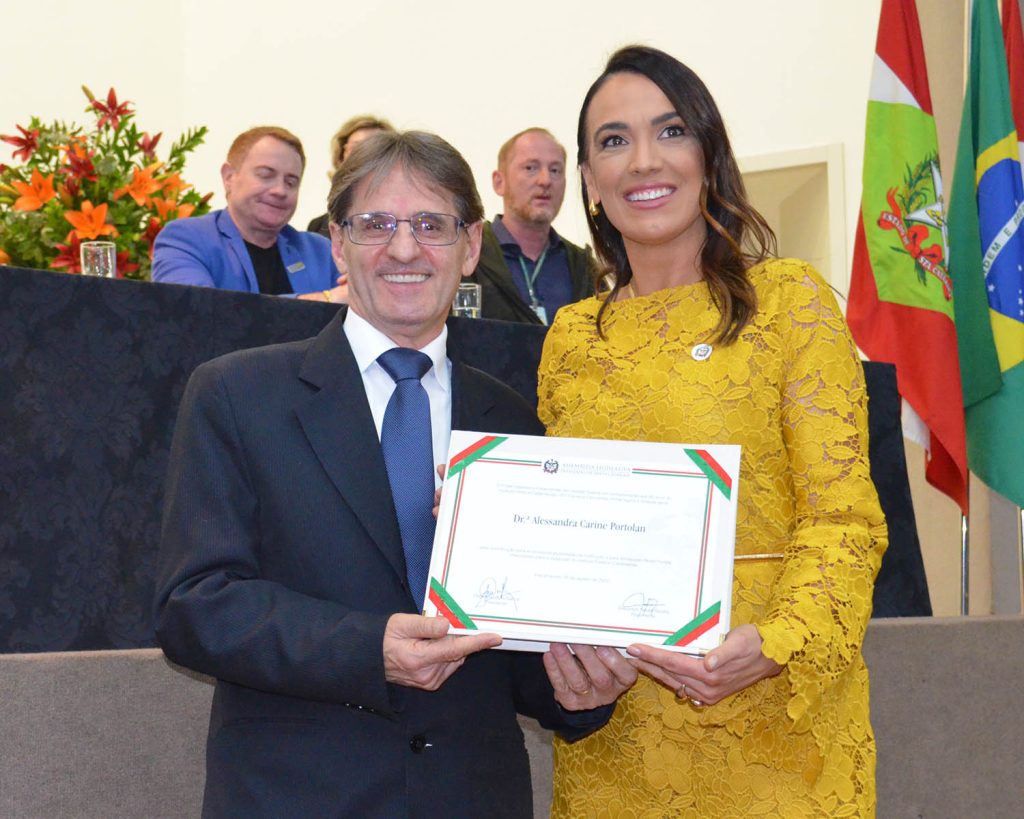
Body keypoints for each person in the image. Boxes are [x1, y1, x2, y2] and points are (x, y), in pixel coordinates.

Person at [154, 129, 636, 817]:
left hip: (471, 796)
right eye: (376, 223)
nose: (404, 249)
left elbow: (521, 649)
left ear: (470, 247)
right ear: (337, 243)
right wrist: (367, 648)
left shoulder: (513, 420)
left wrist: (578, 687)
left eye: (432, 225)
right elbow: (195, 605)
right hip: (296, 797)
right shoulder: (237, 394)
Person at [537, 46, 888, 816]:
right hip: (616, 743)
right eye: (614, 140)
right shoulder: (570, 337)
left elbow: (845, 520)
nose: (644, 160)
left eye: (671, 131)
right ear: (589, 181)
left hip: (774, 728)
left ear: (708, 154)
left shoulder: (789, 302)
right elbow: (562, 539)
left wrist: (778, 642)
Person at [153, 126, 345, 302]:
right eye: (266, 175)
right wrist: (327, 299)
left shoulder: (320, 251)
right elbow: (198, 312)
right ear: (228, 176)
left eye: (291, 182)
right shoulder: (185, 239)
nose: (280, 190)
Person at [469, 128, 596, 324]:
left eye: (555, 170)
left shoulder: (585, 269)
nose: (545, 180)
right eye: (530, 168)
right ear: (499, 182)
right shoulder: (469, 256)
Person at [307, 114, 395, 237]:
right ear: (340, 159)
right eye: (356, 149)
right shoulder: (318, 227)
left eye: (375, 149)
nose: (364, 157)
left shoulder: (407, 220)